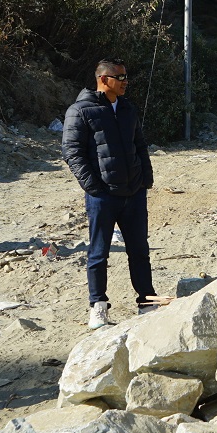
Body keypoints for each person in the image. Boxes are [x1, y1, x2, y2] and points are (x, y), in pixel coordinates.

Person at [62, 59, 162, 329]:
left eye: (126, 76)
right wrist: (94, 188)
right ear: (104, 79)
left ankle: (147, 302)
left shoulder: (128, 108)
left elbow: (140, 145)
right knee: (98, 253)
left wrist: (145, 180)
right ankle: (98, 307)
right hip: (102, 197)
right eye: (121, 77)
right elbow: (72, 152)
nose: (126, 81)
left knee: (139, 250)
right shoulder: (80, 111)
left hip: (134, 193)